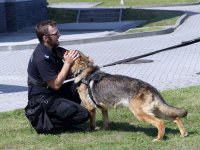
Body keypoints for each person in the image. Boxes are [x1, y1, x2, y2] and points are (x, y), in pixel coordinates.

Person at [25, 20, 89, 133]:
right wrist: (68, 63)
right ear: (45, 38)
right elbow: (55, 84)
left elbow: (75, 57)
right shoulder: (42, 57)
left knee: (79, 84)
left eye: (58, 31)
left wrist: (85, 60)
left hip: (51, 93)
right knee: (83, 114)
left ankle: (64, 115)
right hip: (41, 100)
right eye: (55, 34)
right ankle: (48, 124)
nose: (59, 35)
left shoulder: (53, 49)